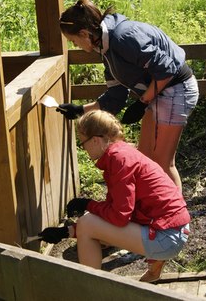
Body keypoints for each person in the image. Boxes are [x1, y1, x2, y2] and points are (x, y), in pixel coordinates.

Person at [57, 0, 199, 189]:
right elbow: (115, 95)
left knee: (163, 164)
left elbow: (167, 69)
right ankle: (154, 211)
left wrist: (142, 102)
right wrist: (80, 110)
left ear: (84, 33)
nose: (74, 46)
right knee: (146, 157)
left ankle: (176, 217)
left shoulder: (123, 37)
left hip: (177, 88)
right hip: (160, 92)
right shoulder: (105, 48)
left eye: (73, 41)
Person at [38, 110, 191, 282]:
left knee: (87, 225)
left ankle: (92, 288)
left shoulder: (118, 160)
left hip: (167, 236)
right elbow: (115, 212)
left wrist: (88, 204)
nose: (84, 148)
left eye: (83, 143)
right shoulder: (121, 153)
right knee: (90, 223)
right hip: (175, 228)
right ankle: (153, 271)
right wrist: (66, 232)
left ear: (95, 140)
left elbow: (119, 217)